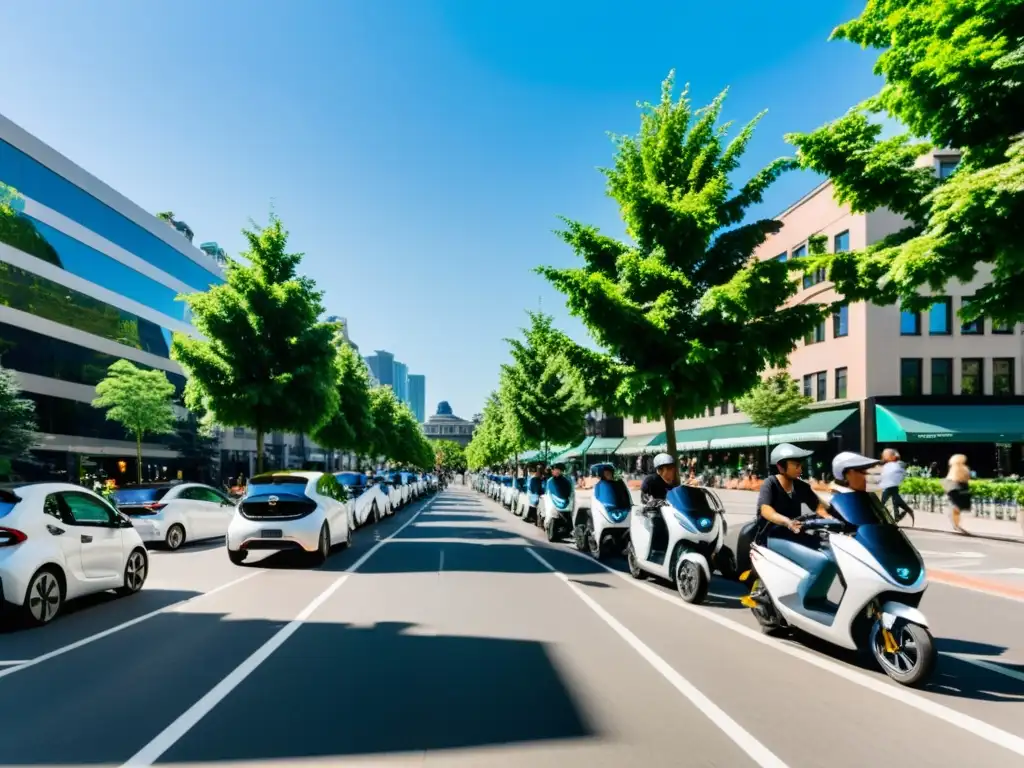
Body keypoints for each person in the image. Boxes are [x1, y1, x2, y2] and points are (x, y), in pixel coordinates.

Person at [879, 449, 915, 524]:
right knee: (896, 501)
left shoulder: (898, 464)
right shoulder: (890, 465)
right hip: (892, 486)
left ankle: (900, 513)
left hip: (891, 486)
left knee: (882, 503)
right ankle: (898, 515)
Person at [944, 454, 972, 534]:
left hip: (955, 490)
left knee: (956, 508)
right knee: (956, 508)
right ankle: (956, 524)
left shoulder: (955, 469)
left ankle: (956, 524)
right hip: (957, 490)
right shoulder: (962, 469)